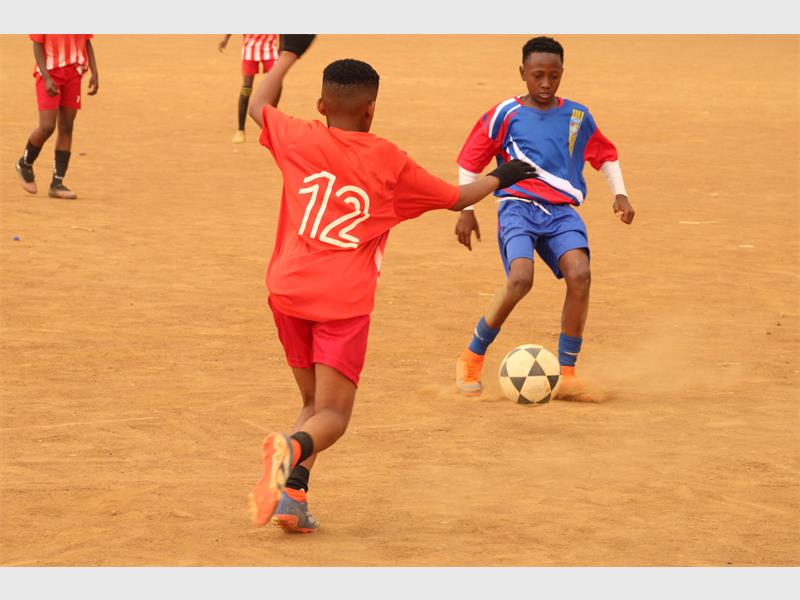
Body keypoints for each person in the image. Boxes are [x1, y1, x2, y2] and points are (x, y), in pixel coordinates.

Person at [246, 35, 538, 533]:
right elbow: (456, 198)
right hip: (341, 303)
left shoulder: (298, 137)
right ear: (371, 110)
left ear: (321, 106)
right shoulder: (388, 161)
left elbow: (259, 103)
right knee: (333, 416)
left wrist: (288, 54)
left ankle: (292, 496)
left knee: (313, 403)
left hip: (287, 291)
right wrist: (502, 175)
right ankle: (290, 450)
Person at [453, 36, 635, 401]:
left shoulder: (577, 116)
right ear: (522, 72)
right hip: (517, 208)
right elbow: (470, 161)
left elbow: (605, 155)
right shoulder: (504, 114)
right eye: (538, 75)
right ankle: (472, 355)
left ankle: (567, 374)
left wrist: (620, 193)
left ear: (562, 73)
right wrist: (466, 210)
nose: (546, 83)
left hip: (561, 213)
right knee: (521, 279)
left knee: (580, 274)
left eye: (554, 76)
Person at [15, 34, 99, 200]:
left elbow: (87, 41)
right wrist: (46, 77)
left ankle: (57, 183)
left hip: (73, 72)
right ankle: (25, 163)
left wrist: (95, 73)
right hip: (50, 72)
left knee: (67, 127)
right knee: (47, 126)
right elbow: (37, 44)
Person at [218, 33, 280, 143]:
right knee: (246, 87)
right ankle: (240, 130)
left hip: (270, 48)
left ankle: (270, 125)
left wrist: (283, 48)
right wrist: (225, 39)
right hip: (250, 49)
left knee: (275, 86)